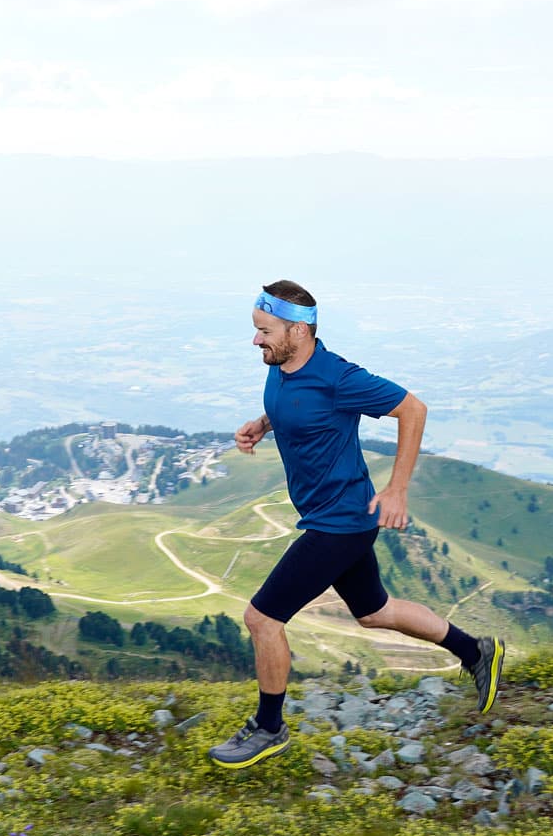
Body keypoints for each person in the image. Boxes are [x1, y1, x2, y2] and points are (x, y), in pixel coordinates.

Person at [208, 280, 505, 768]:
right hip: (335, 516)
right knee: (375, 611)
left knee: (262, 619)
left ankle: (268, 727)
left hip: (340, 522)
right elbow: (296, 406)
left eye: (264, 331)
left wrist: (397, 489)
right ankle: (475, 651)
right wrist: (263, 424)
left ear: (298, 330)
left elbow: (413, 408)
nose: (256, 341)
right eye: (256, 330)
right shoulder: (282, 366)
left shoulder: (337, 377)